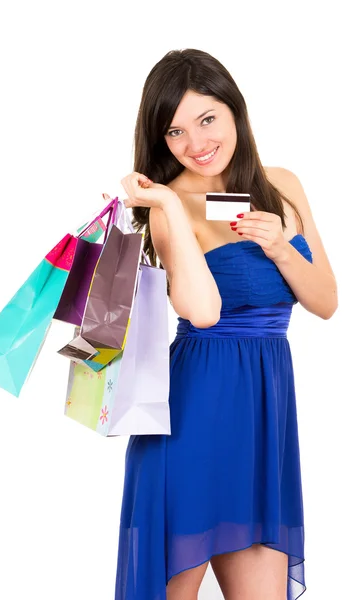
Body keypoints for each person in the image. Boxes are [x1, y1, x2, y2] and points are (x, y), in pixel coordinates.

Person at [107, 48, 338, 600]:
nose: (196, 144)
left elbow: (326, 301)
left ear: (235, 109)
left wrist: (280, 246)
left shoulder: (282, 185)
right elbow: (203, 312)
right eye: (175, 132)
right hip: (192, 415)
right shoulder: (167, 207)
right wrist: (166, 202)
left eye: (207, 119)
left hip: (263, 418)